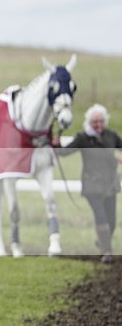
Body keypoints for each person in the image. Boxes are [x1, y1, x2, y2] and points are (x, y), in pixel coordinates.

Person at [54, 103, 122, 262]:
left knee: (111, 221)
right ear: (89, 123)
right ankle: (107, 252)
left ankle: (102, 242)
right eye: (95, 122)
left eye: (101, 121)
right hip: (92, 186)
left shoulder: (111, 135)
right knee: (101, 217)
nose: (98, 125)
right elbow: (64, 152)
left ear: (105, 121)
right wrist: (56, 144)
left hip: (110, 184)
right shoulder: (82, 138)